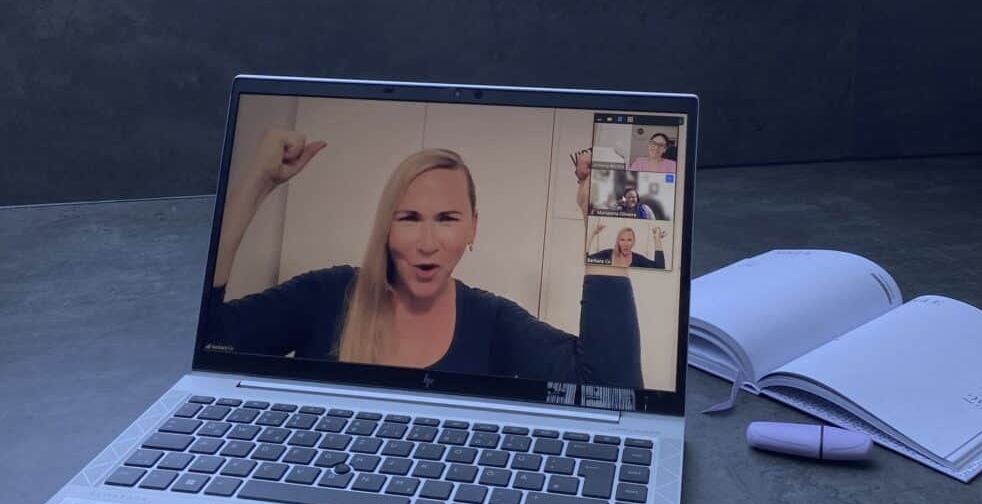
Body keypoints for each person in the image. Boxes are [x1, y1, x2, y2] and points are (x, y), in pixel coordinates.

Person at [207, 129, 644, 388]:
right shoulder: (327, 294)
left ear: (472, 227)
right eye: (410, 218)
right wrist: (257, 184)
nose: (428, 242)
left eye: (448, 219)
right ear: (387, 226)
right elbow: (212, 342)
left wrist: (599, 222)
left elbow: (611, 389)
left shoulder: (492, 321)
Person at [586, 222, 666, 269]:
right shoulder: (607, 254)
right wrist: (593, 233)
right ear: (618, 242)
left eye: (629, 240)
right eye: (622, 240)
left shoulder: (638, 259)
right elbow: (586, 258)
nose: (625, 243)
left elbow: (660, 267)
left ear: (633, 242)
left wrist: (657, 238)